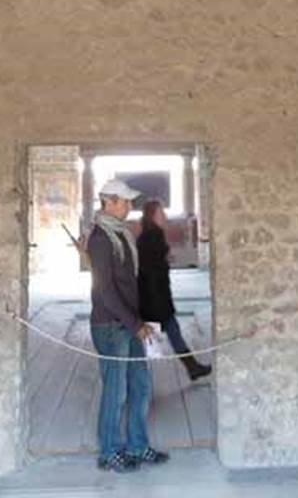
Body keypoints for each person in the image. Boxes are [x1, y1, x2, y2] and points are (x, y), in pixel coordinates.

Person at [87, 178, 170, 473]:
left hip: (131, 323)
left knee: (141, 385)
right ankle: (109, 451)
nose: (130, 206)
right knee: (116, 391)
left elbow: (127, 284)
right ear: (109, 201)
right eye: (124, 201)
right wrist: (135, 324)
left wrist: (140, 320)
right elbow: (106, 291)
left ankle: (137, 445)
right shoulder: (100, 238)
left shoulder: (121, 234)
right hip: (111, 326)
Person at [137, 200, 212, 381]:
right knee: (150, 341)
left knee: (167, 334)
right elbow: (151, 270)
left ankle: (192, 367)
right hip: (155, 298)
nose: (164, 216)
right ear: (153, 216)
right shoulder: (153, 236)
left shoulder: (149, 235)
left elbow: (152, 264)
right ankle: (141, 383)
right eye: (161, 213)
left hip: (153, 296)